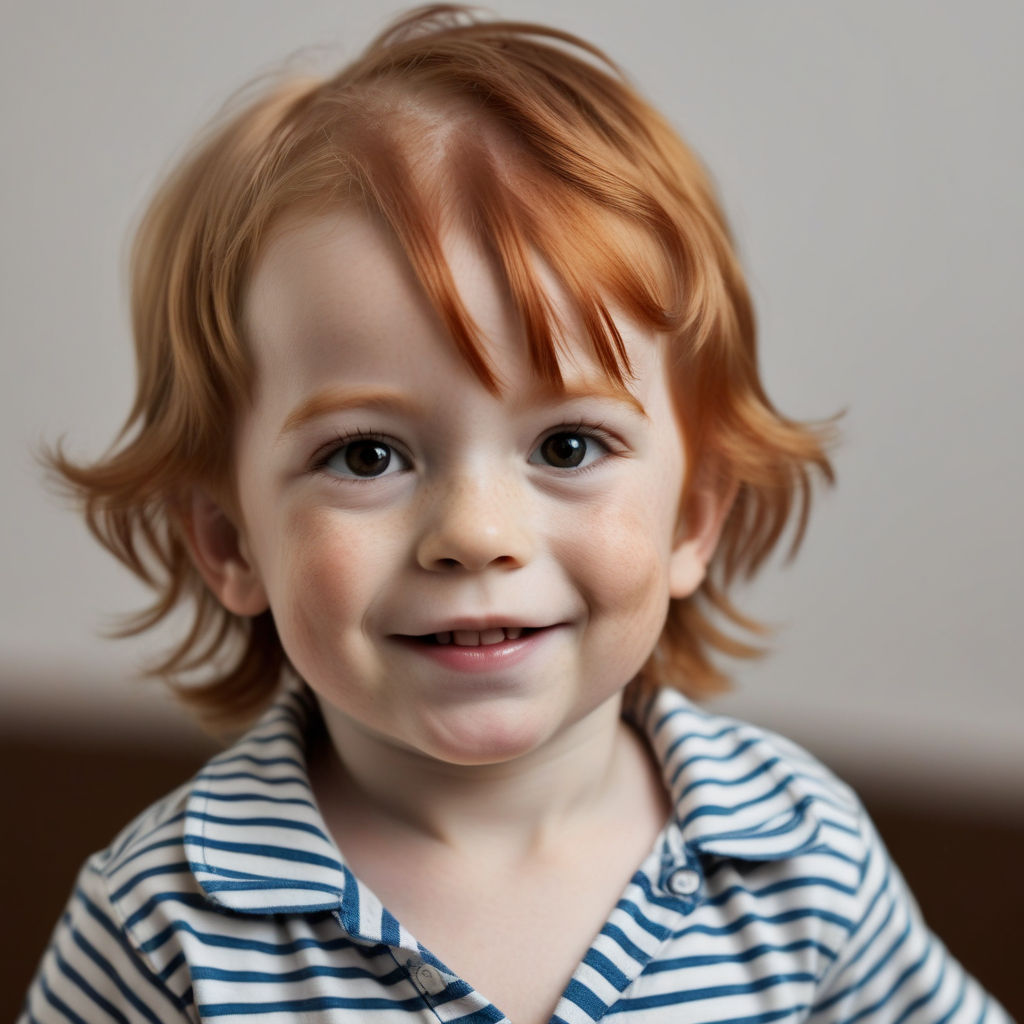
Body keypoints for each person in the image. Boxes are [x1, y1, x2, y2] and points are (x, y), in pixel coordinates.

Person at [21, 7, 1011, 1023]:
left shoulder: (795, 857)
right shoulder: (164, 923)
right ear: (228, 539)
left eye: (567, 446)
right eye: (366, 455)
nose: (476, 533)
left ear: (693, 517)